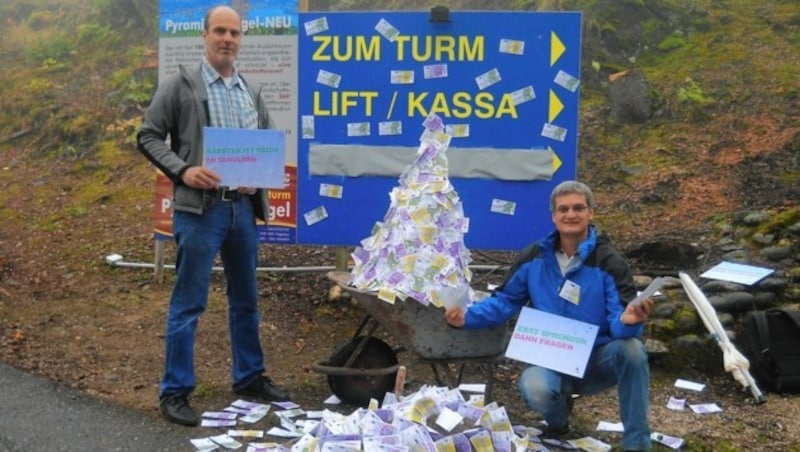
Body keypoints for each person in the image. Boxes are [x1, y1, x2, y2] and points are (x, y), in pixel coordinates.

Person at [137, 5, 289, 427]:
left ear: (241, 40)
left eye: (234, 33)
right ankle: (176, 391)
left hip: (242, 211)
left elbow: (267, 148)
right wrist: (184, 169)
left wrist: (256, 176)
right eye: (220, 31)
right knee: (189, 303)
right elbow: (147, 135)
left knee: (246, 300)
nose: (227, 39)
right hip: (200, 212)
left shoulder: (250, 92)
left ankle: (250, 377)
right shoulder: (180, 86)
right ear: (204, 36)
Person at [445, 180, 654, 451]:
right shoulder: (534, 257)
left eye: (578, 208)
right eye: (563, 209)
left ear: (591, 213)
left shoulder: (610, 262)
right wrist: (467, 318)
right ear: (553, 216)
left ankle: (638, 445)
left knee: (633, 350)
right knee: (536, 387)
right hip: (550, 357)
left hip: (596, 359)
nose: (571, 215)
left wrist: (628, 322)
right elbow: (506, 300)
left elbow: (619, 320)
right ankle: (559, 422)